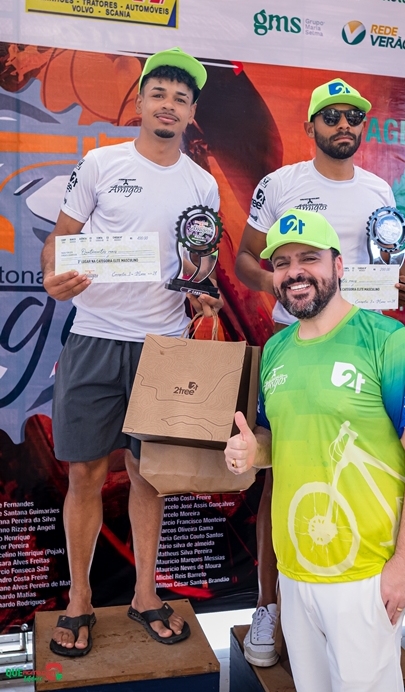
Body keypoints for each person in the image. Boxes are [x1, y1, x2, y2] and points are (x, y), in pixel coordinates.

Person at [41, 48, 223, 656]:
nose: (168, 105)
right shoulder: (99, 163)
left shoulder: (202, 184)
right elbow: (61, 241)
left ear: (191, 112)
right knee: (85, 474)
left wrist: (202, 296)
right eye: (159, 94)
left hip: (163, 347)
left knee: (150, 476)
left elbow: (199, 265)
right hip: (94, 335)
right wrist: (52, 276)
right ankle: (79, 600)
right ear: (140, 101)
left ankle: (146, 595)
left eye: (181, 98)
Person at [235, 77, 405, 667]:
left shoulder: (378, 188)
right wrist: (287, 287)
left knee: (377, 468)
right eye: (331, 116)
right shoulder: (280, 183)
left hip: (364, 347)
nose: (344, 125)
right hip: (295, 346)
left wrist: (397, 283)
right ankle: (270, 606)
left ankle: (376, 596)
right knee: (280, 475)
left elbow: (388, 262)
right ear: (311, 125)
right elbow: (244, 259)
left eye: (353, 117)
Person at [226, 209, 405, 692]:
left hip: (366, 576)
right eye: (282, 263)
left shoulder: (388, 341)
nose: (294, 272)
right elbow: (273, 442)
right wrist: (251, 450)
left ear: (339, 265)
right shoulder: (276, 350)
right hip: (294, 574)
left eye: (309, 258)